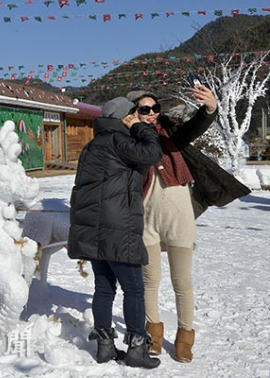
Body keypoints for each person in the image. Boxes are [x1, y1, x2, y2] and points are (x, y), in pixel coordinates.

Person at [127, 87, 250, 363]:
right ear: (133, 112)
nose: (150, 114)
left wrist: (209, 109)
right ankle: (153, 335)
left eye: (154, 108)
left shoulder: (172, 138)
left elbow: (195, 127)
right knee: (150, 283)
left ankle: (184, 338)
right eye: (143, 109)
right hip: (146, 220)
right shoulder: (129, 141)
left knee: (182, 282)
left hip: (179, 219)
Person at [68, 97, 162, 369]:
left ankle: (105, 347)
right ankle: (135, 350)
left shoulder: (93, 144)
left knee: (104, 287)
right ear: (124, 116)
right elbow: (153, 154)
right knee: (134, 288)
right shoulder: (119, 140)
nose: (138, 116)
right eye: (133, 113)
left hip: (94, 229)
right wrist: (139, 128)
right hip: (118, 227)